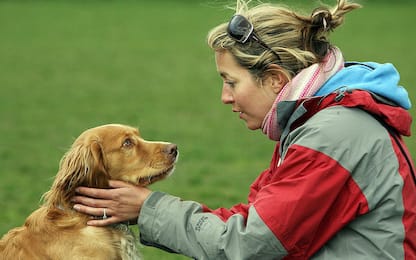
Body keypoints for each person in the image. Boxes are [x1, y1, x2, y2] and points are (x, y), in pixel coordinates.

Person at [71, 0, 416, 258]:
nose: (224, 97)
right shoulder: (320, 121)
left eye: (231, 82)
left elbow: (250, 243)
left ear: (276, 80)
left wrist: (149, 209)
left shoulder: (334, 135)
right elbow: (256, 222)